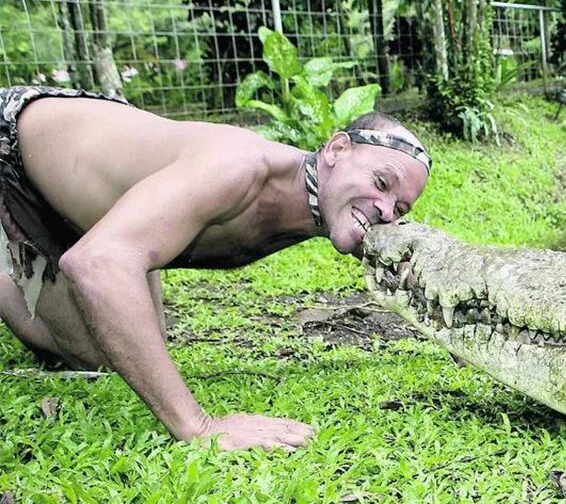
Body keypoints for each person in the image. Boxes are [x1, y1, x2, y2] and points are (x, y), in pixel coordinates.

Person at [0, 86, 430, 451]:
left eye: (400, 208)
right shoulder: (238, 167)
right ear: (336, 149)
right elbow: (97, 262)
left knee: (120, 346)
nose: (385, 210)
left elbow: (403, 268)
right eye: (381, 183)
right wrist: (199, 427)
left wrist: (443, 324)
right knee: (100, 333)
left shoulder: (328, 203)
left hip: (93, 200)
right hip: (17, 148)